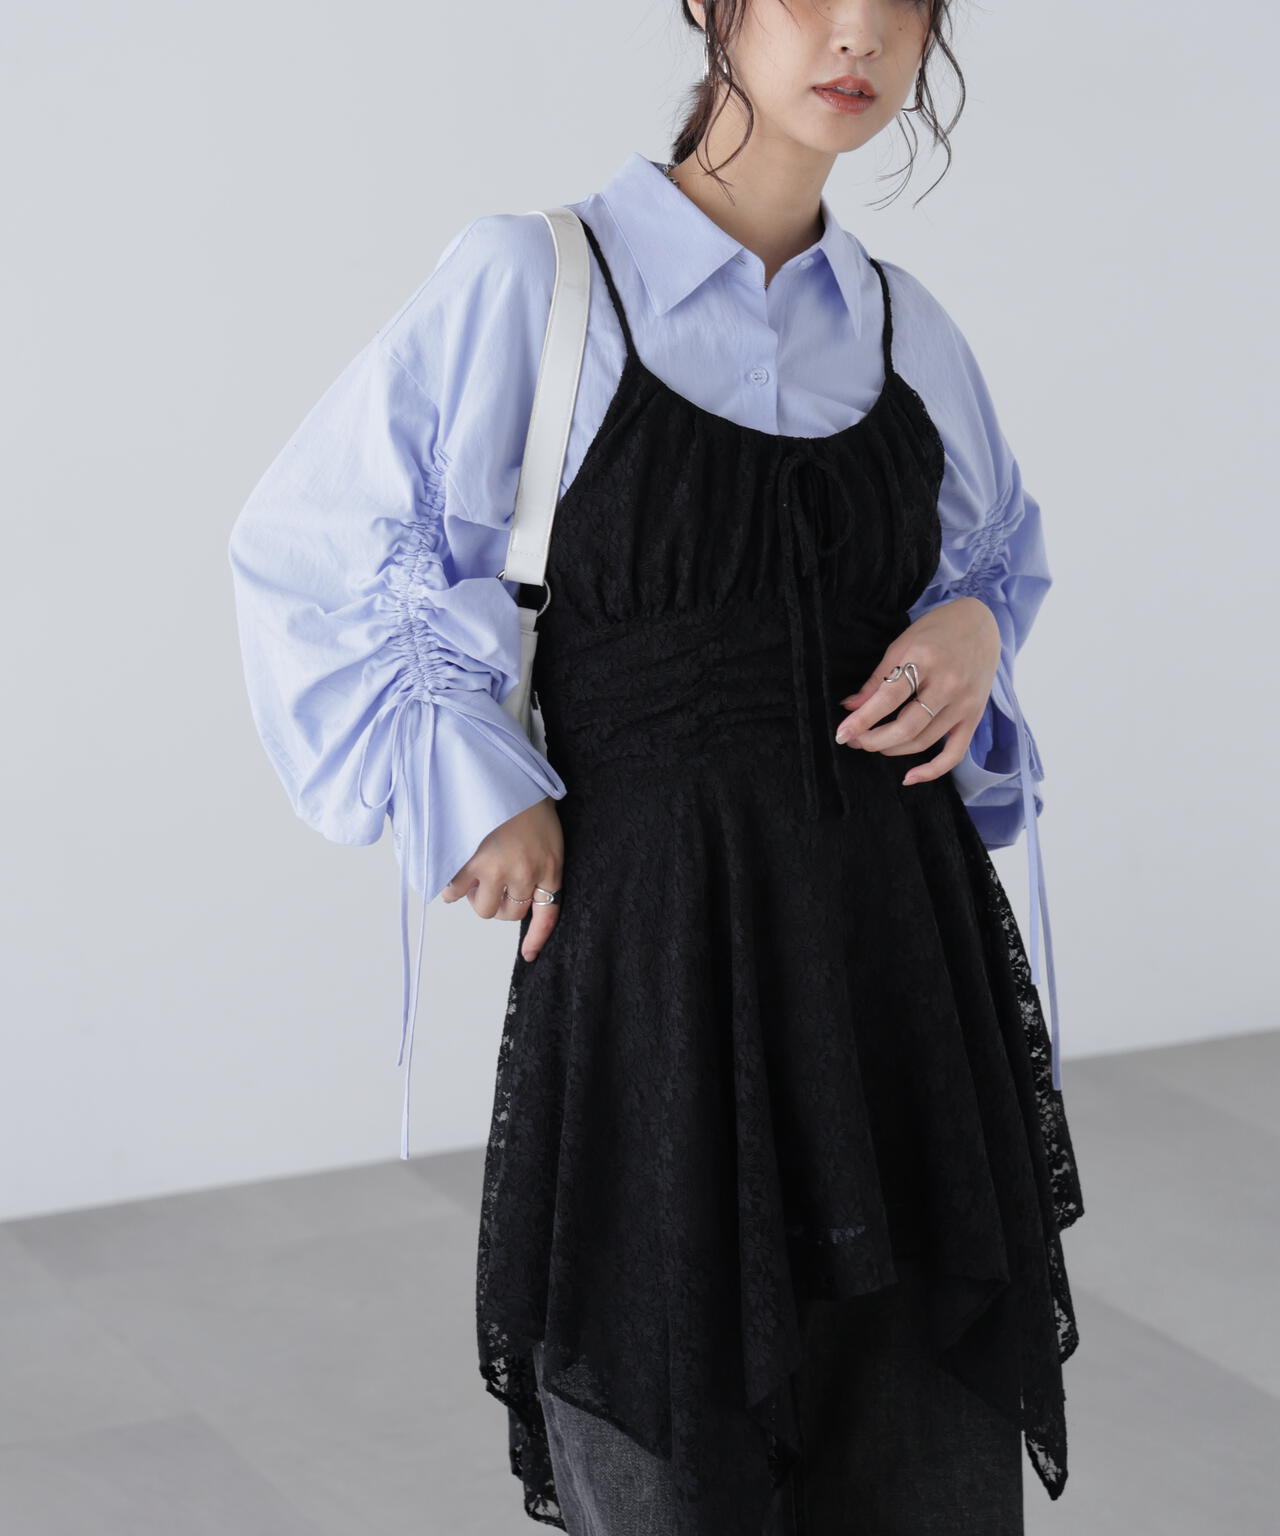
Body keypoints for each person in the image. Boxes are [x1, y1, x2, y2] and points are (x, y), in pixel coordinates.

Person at [227, 1, 1086, 1531]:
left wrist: (971, 626)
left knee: (921, 1446)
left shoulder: (903, 324)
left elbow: (996, 554)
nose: (857, 33)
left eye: (899, 1)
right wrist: (477, 781)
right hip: (658, 959)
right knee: (669, 1438)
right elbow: (316, 548)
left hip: (901, 958)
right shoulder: (537, 280)